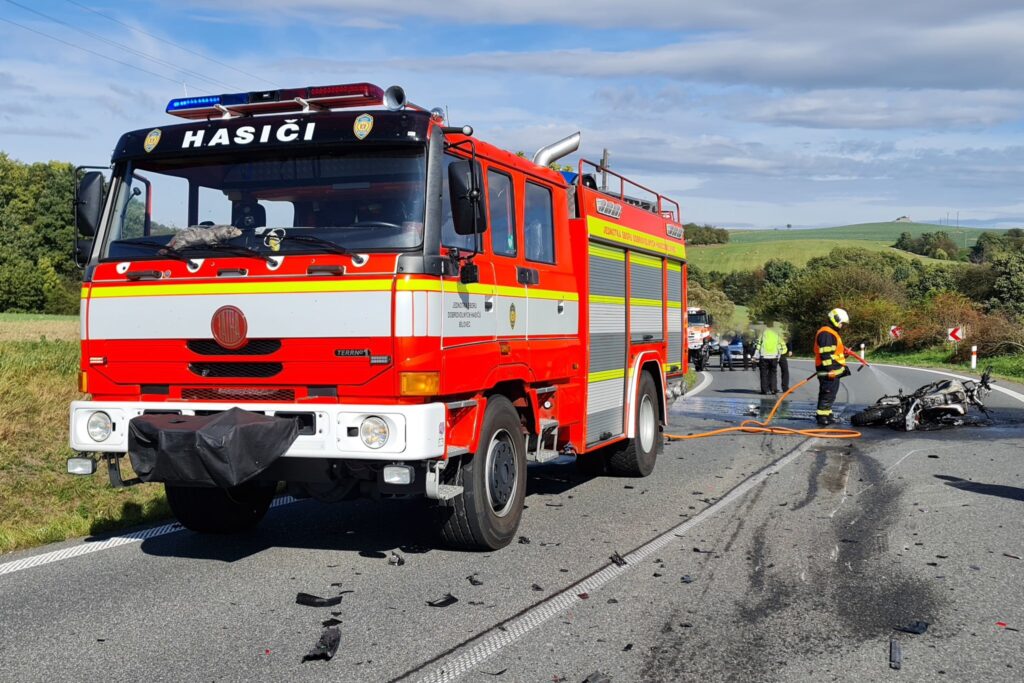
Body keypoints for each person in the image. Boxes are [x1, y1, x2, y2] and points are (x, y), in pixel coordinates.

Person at [815, 308, 851, 425]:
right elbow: (825, 354)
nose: (842, 325)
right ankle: (822, 416)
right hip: (828, 370)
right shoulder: (826, 333)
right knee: (827, 392)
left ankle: (827, 413)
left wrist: (844, 355)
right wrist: (830, 370)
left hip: (832, 370)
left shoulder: (832, 333)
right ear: (835, 320)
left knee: (831, 393)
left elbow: (833, 354)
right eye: (841, 323)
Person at [754, 325, 784, 394]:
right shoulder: (776, 333)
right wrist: (779, 355)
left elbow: (758, 344)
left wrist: (755, 355)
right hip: (774, 356)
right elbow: (779, 345)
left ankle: (764, 390)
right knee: (773, 373)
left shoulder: (763, 332)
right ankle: (773, 389)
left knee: (763, 374)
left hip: (764, 356)